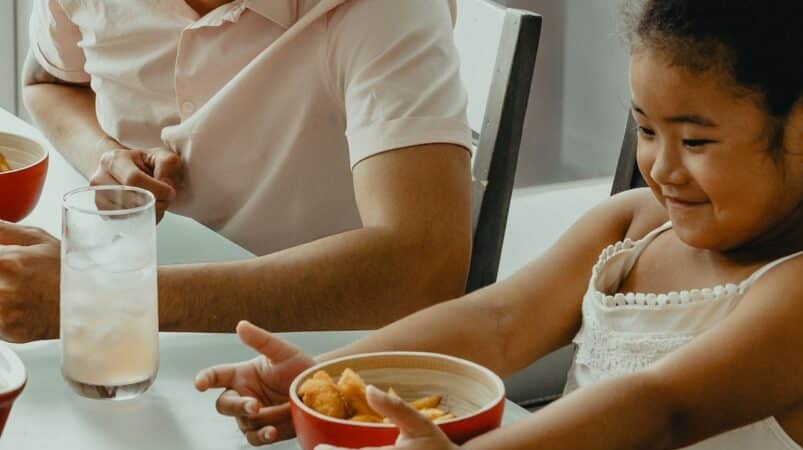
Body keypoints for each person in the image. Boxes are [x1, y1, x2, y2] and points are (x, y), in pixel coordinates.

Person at [194, 0, 803, 450]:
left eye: (696, 138)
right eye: (647, 129)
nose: (660, 165)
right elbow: (496, 322)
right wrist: (331, 376)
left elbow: (660, 408)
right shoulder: (632, 227)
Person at [0, 0, 472, 342]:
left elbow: (423, 269)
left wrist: (111, 296)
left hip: (316, 355)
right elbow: (46, 81)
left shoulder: (387, 10)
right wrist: (106, 153)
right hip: (136, 329)